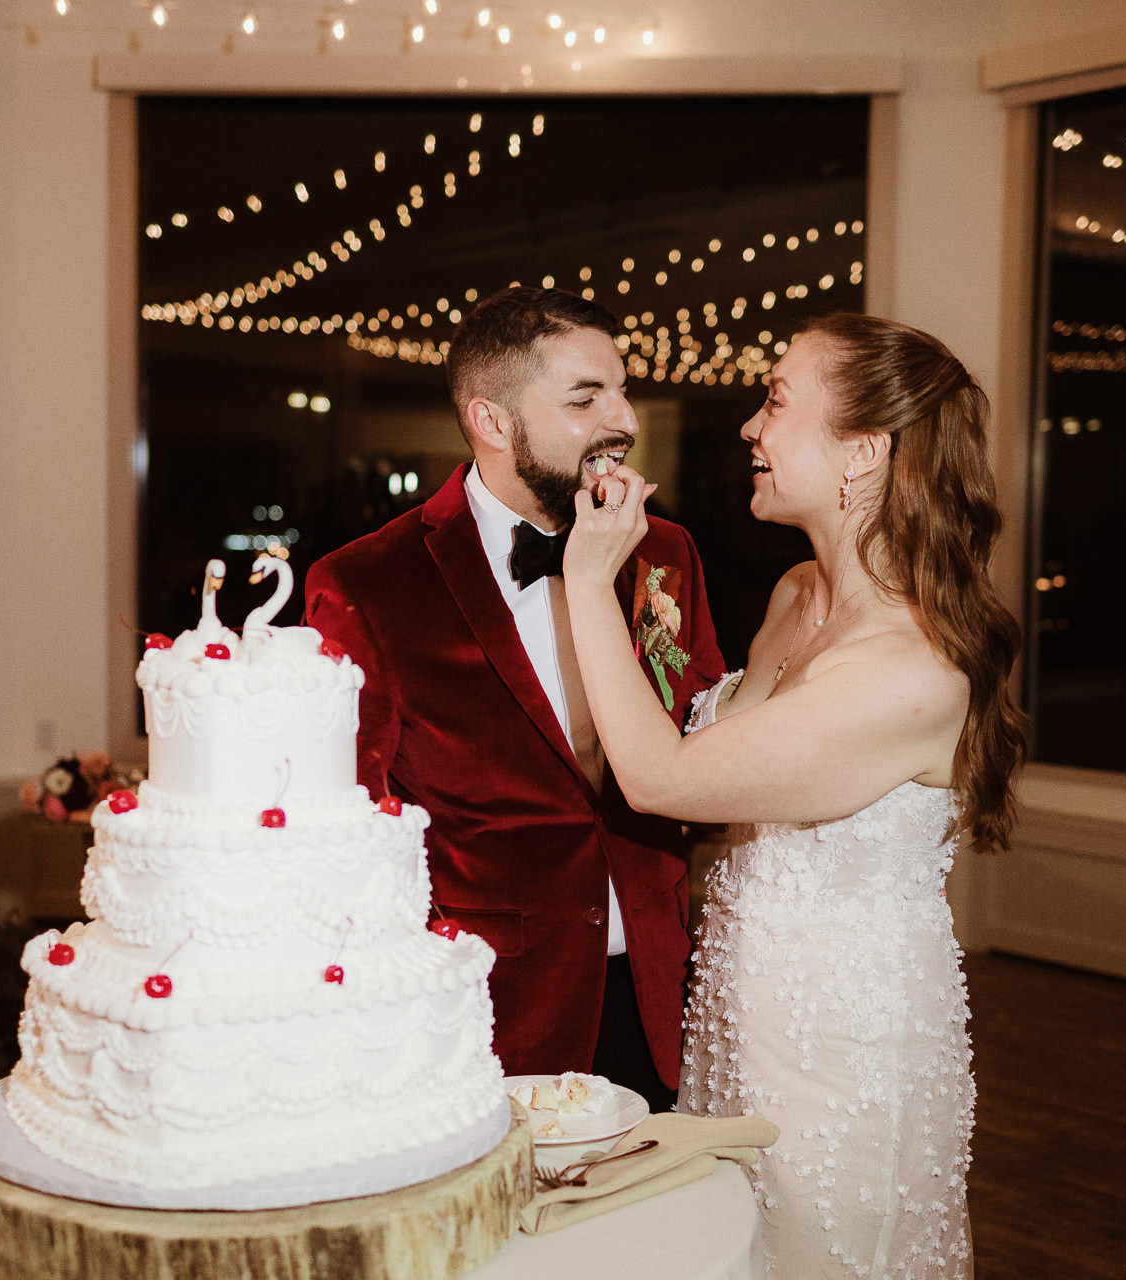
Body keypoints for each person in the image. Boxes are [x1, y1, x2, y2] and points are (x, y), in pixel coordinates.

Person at [562, 312, 1028, 1278]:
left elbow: (660, 778)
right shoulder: (795, 595)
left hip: (843, 1055)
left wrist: (588, 579)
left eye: (776, 401)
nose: (749, 426)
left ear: (863, 451)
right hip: (736, 1018)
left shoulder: (911, 670)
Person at [299, 287, 724, 1112]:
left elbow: (703, 738)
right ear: (491, 421)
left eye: (622, 390)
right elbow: (354, 827)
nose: (623, 420)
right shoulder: (368, 583)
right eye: (585, 399)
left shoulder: (665, 552)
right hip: (490, 1010)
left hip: (657, 992)